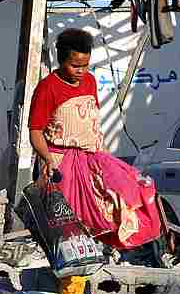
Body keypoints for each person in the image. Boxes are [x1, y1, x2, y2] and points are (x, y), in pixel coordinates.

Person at [28, 28, 162, 250]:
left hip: (95, 158)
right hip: (62, 166)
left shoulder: (90, 81)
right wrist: (49, 160)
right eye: (75, 66)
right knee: (72, 228)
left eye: (86, 65)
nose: (81, 71)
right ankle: (71, 277)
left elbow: (93, 123)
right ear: (61, 60)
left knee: (127, 196)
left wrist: (105, 156)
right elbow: (35, 131)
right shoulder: (47, 88)